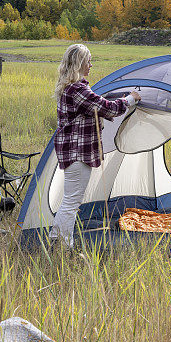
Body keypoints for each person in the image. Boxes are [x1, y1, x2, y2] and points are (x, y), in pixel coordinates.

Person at [50, 44, 141, 247]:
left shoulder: (72, 87)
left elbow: (95, 107)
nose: (91, 65)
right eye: (88, 61)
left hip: (73, 151)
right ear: (80, 63)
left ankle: (57, 239)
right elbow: (106, 108)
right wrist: (130, 99)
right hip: (77, 152)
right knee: (72, 202)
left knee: (70, 200)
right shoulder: (77, 89)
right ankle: (64, 245)